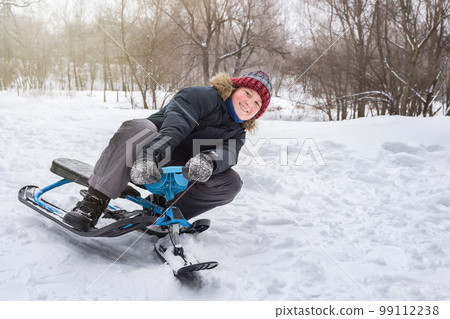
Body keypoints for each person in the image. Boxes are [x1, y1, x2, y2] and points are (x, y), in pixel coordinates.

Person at [63, 71, 273, 232]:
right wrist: (148, 158)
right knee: (139, 128)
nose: (249, 103)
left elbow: (228, 153)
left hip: (175, 177)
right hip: (141, 161)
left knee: (231, 181)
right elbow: (174, 128)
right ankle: (93, 202)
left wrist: (208, 161)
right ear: (235, 88)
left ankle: (166, 212)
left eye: (257, 103)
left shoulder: (238, 132)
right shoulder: (200, 96)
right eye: (248, 93)